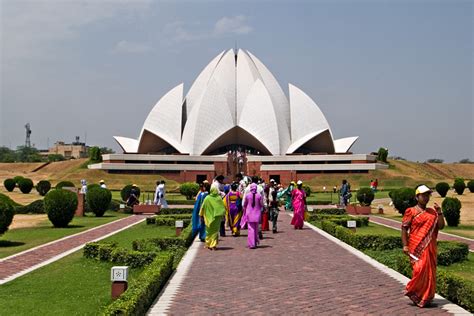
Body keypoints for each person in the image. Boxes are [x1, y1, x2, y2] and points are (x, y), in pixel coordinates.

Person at [402, 184, 445, 307]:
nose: (426, 197)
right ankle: (414, 292)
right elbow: (404, 229)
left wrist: (440, 212)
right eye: (423, 195)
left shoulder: (432, 212)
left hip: (430, 247)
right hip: (416, 247)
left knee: (430, 272)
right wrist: (405, 245)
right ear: (417, 197)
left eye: (428, 195)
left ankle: (426, 298)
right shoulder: (411, 211)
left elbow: (441, 226)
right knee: (419, 270)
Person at [241, 183, 264, 249]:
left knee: (251, 229)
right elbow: (261, 204)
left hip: (249, 214)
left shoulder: (248, 195)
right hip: (257, 214)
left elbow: (245, 204)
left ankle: (252, 244)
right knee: (256, 229)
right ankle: (255, 241)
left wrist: (245, 208)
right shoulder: (259, 195)